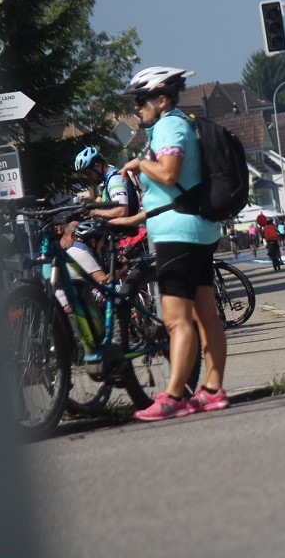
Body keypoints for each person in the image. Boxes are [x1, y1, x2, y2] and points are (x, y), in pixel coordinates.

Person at [111, 66, 228, 420]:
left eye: (141, 101)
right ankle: (212, 390)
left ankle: (174, 396)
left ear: (161, 100)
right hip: (193, 228)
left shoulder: (169, 126)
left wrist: (139, 163)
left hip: (178, 237)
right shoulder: (176, 124)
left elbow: (169, 173)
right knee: (205, 314)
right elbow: (175, 192)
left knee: (177, 321)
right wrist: (135, 219)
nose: (137, 108)